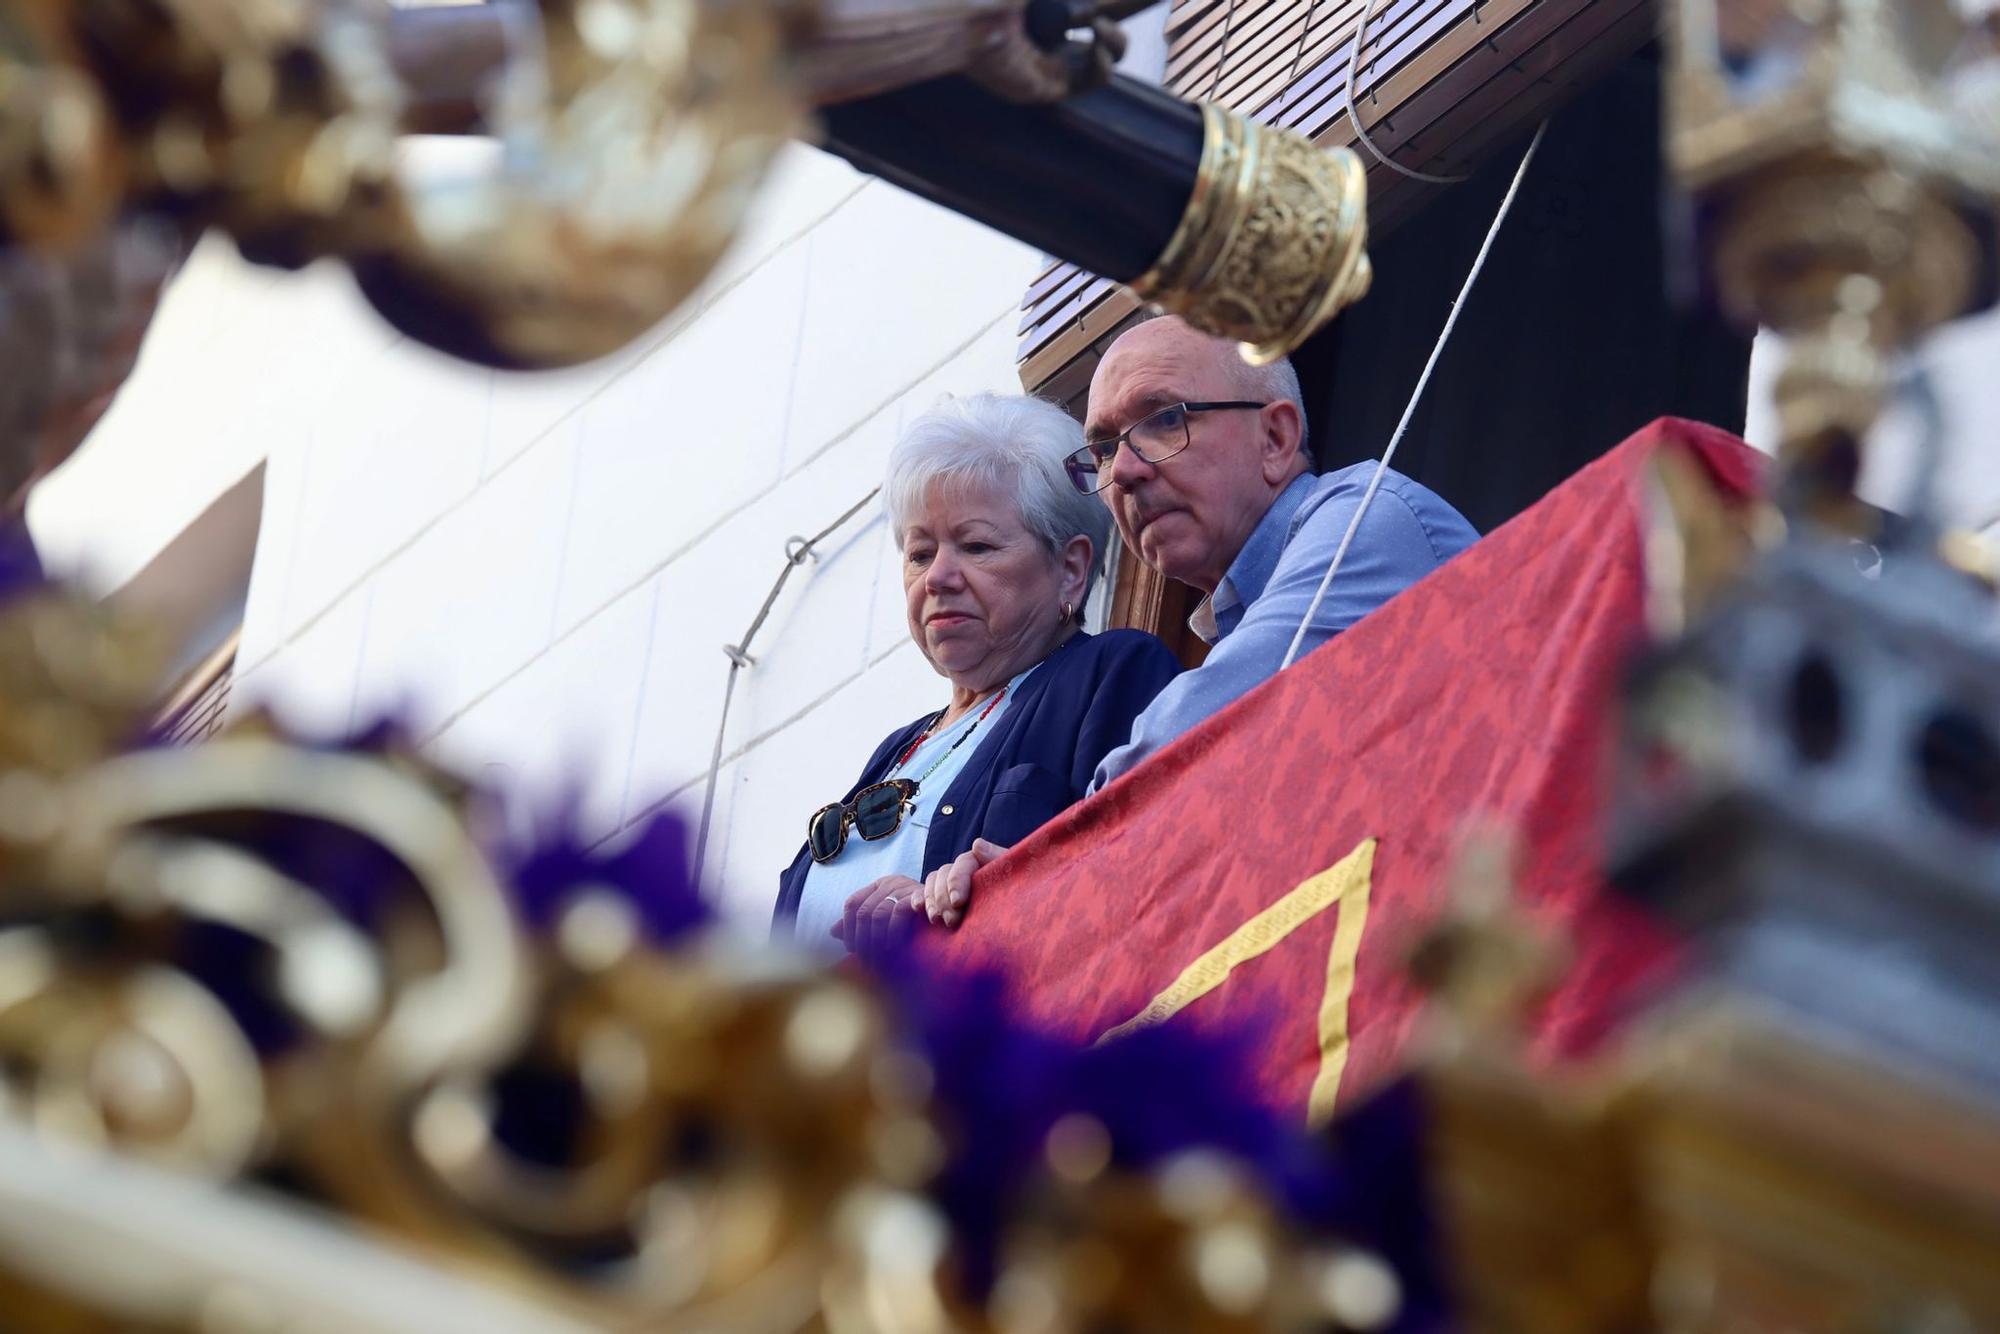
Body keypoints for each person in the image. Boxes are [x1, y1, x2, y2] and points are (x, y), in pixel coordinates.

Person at [884, 315, 1480, 931]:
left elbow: (1191, 738)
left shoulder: (1368, 514)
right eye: (1107, 449)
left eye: (1165, 419)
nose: (1128, 472)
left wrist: (1037, 880)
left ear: (1275, 438)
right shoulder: (1232, 615)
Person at [773, 392, 1181, 954]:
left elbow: (1141, 881)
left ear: (1070, 569)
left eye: (976, 545)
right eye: (919, 553)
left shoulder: (1110, 673)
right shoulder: (900, 747)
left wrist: (961, 909)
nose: (937, 577)